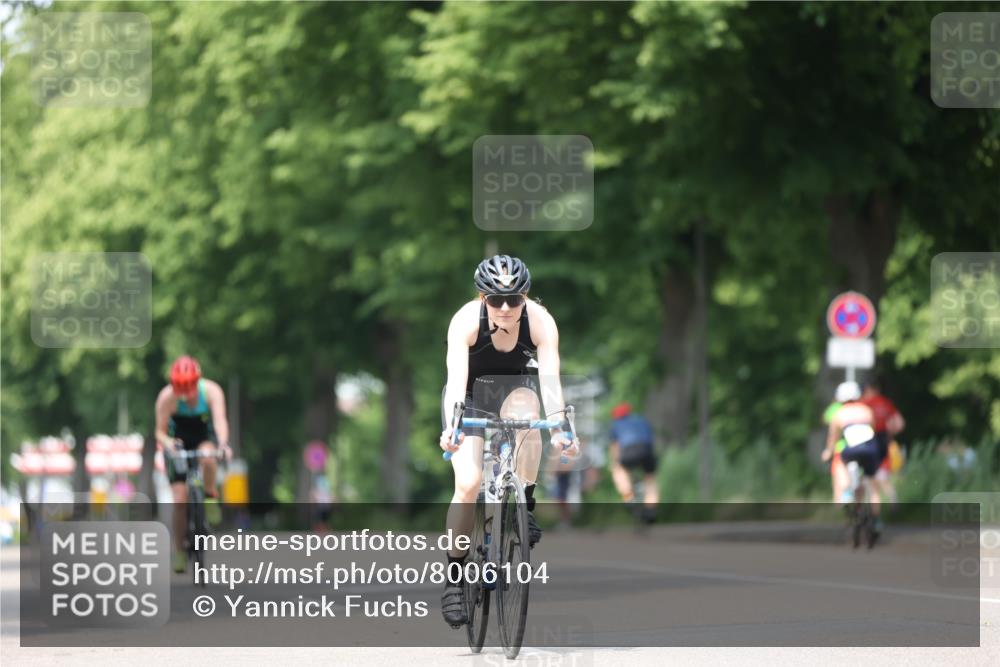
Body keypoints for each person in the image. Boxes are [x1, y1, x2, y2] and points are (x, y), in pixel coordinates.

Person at [438, 255, 579, 628]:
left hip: (515, 392)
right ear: (482, 297)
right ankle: (454, 576)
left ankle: (523, 504)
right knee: (467, 484)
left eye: (513, 300)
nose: (504, 308)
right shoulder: (466, 321)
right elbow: (455, 379)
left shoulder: (541, 322)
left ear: (525, 297)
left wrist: (563, 429)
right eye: (495, 300)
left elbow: (549, 383)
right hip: (469, 397)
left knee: (530, 417)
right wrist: (453, 427)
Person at [155, 356, 232, 572]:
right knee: (179, 500)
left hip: (202, 437)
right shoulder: (166, 398)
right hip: (177, 442)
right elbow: (159, 432)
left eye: (189, 388)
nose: (186, 394)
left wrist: (224, 445)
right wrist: (170, 443)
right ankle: (179, 551)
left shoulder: (212, 392)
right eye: (180, 388)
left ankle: (209, 494)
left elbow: (219, 421)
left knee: (208, 456)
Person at [822, 381, 882, 532]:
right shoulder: (866, 410)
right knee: (873, 487)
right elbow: (873, 429)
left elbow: (833, 438)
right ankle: (876, 521)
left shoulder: (840, 413)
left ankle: (847, 492)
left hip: (850, 451)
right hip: (870, 450)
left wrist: (828, 452)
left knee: (842, 466)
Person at [608, 403, 659, 524]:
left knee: (618, 470)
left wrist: (615, 463)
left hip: (628, 451)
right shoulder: (641, 420)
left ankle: (629, 497)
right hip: (646, 450)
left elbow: (615, 448)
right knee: (650, 478)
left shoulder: (616, 425)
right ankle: (650, 509)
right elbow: (651, 439)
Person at [860, 378, 905, 505]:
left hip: (867, 442)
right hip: (884, 440)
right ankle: (892, 498)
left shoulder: (863, 403)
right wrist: (890, 434)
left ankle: (871, 510)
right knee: (882, 474)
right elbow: (900, 424)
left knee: (869, 478)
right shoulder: (886, 403)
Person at [822, 397, 849, 503]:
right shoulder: (859, 408)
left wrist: (829, 450)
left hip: (839, 447)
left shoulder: (834, 409)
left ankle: (839, 501)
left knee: (837, 473)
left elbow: (829, 426)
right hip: (861, 446)